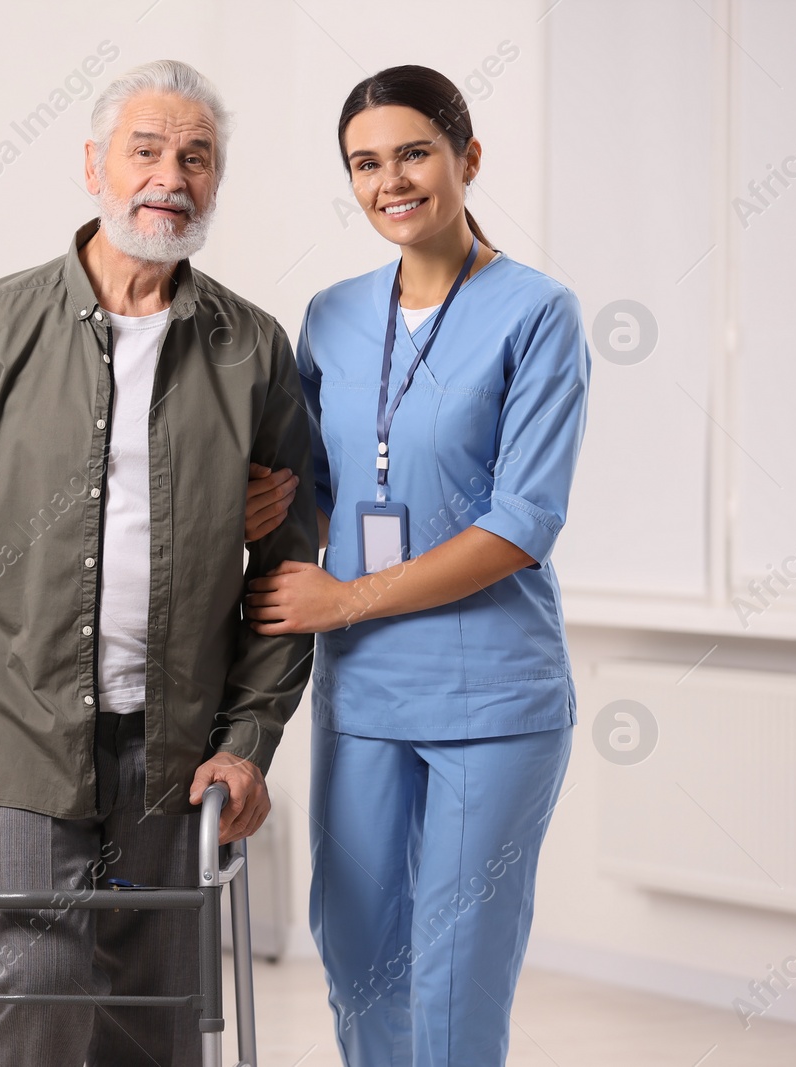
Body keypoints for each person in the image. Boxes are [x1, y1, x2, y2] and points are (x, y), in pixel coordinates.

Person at [0, 59, 318, 1067]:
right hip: (16, 719)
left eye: (198, 156)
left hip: (175, 735)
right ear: (93, 163)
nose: (171, 174)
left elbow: (284, 575)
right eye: (146, 148)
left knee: (156, 1006)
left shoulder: (251, 349)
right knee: (44, 973)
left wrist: (249, 737)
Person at [244, 64, 590, 1066]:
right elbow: (322, 479)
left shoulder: (537, 313)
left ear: (464, 158)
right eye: (364, 162)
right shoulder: (332, 315)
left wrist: (345, 595)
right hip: (362, 692)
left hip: (491, 693)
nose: (389, 180)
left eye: (412, 153)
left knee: (452, 968)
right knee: (357, 960)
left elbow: (521, 522)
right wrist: (281, 500)